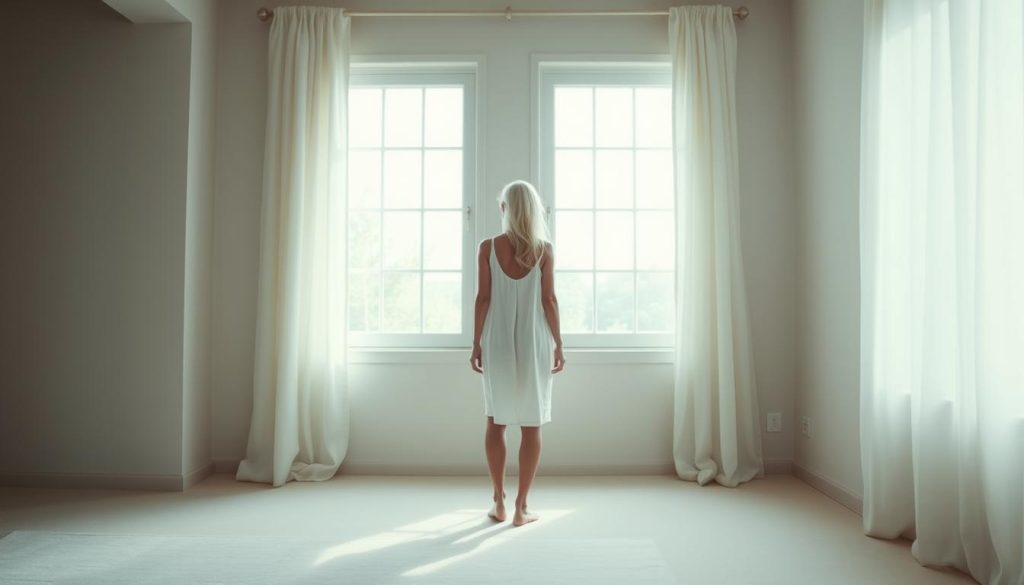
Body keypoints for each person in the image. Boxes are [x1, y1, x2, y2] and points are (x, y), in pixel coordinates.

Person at [470, 180, 565, 527]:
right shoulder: (544, 250)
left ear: (504, 209)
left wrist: (476, 342)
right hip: (533, 340)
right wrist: (559, 343)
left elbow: (483, 298)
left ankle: (499, 500)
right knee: (531, 423)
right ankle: (522, 508)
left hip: (497, 340)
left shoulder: (487, 247)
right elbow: (549, 300)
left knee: (495, 421)